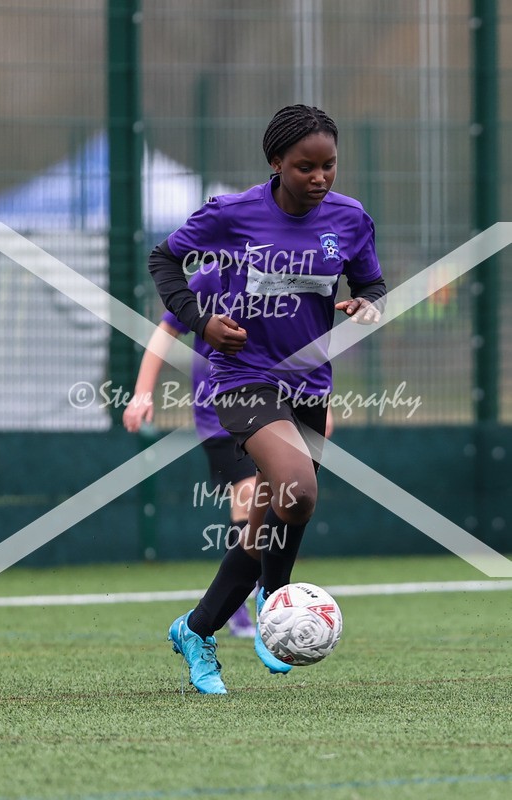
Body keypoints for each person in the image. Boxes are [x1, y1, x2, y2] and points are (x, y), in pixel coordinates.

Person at [148, 104, 386, 694]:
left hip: (309, 384)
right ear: (277, 163)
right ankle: (274, 603)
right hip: (242, 378)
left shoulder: (351, 219)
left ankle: (197, 628)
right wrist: (201, 321)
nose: (320, 178)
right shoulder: (233, 215)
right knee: (297, 491)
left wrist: (367, 302)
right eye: (306, 167)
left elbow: (370, 281)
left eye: (329, 166)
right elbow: (165, 260)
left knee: (274, 519)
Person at [123, 261, 258, 637]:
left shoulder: (286, 272)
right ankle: (241, 601)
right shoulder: (211, 276)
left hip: (271, 404)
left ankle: (260, 594)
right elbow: (166, 329)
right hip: (219, 412)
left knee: (273, 498)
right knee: (247, 492)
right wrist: (142, 392)